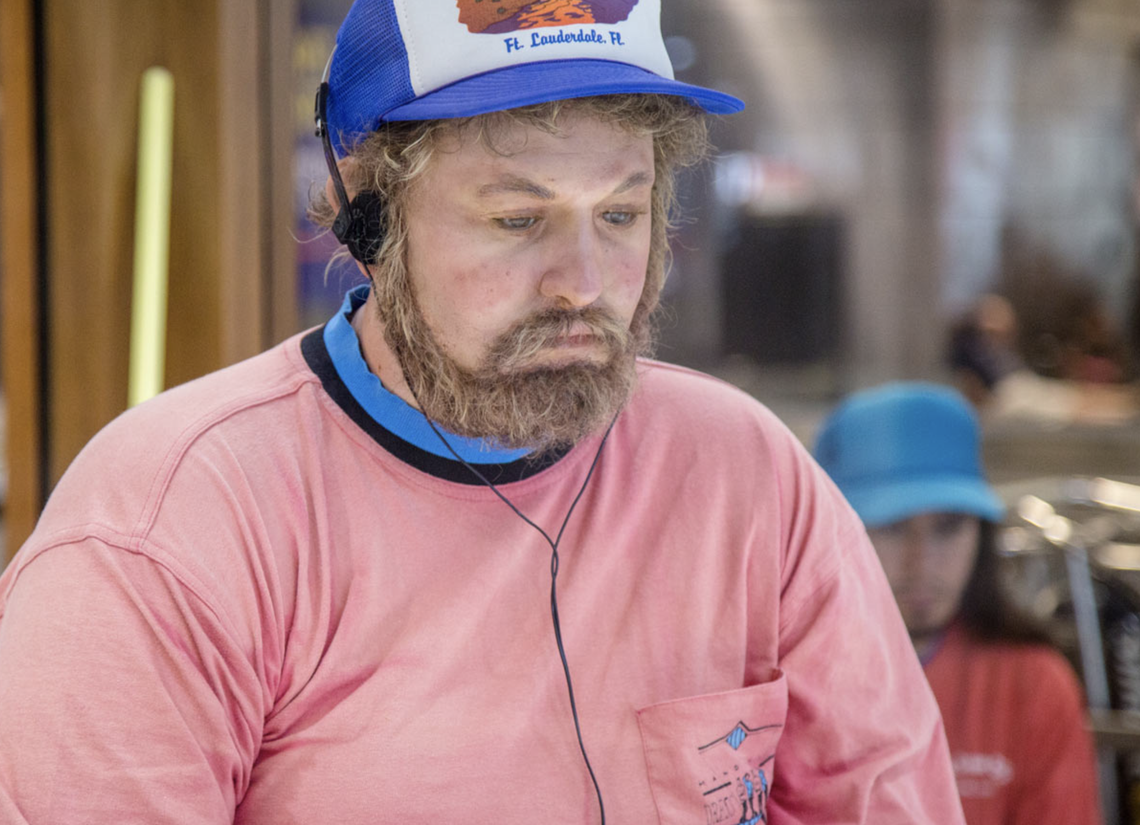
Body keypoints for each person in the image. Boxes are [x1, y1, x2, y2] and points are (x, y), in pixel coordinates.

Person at [0, 2, 964, 822]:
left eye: (621, 215)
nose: (584, 286)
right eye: (518, 219)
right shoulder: (169, 531)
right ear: (372, 219)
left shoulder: (748, 476)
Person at [813, 382, 1103, 825]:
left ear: (981, 535)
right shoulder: (785, 683)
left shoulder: (1030, 686)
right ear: (832, 531)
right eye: (891, 526)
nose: (921, 559)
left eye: (948, 527)